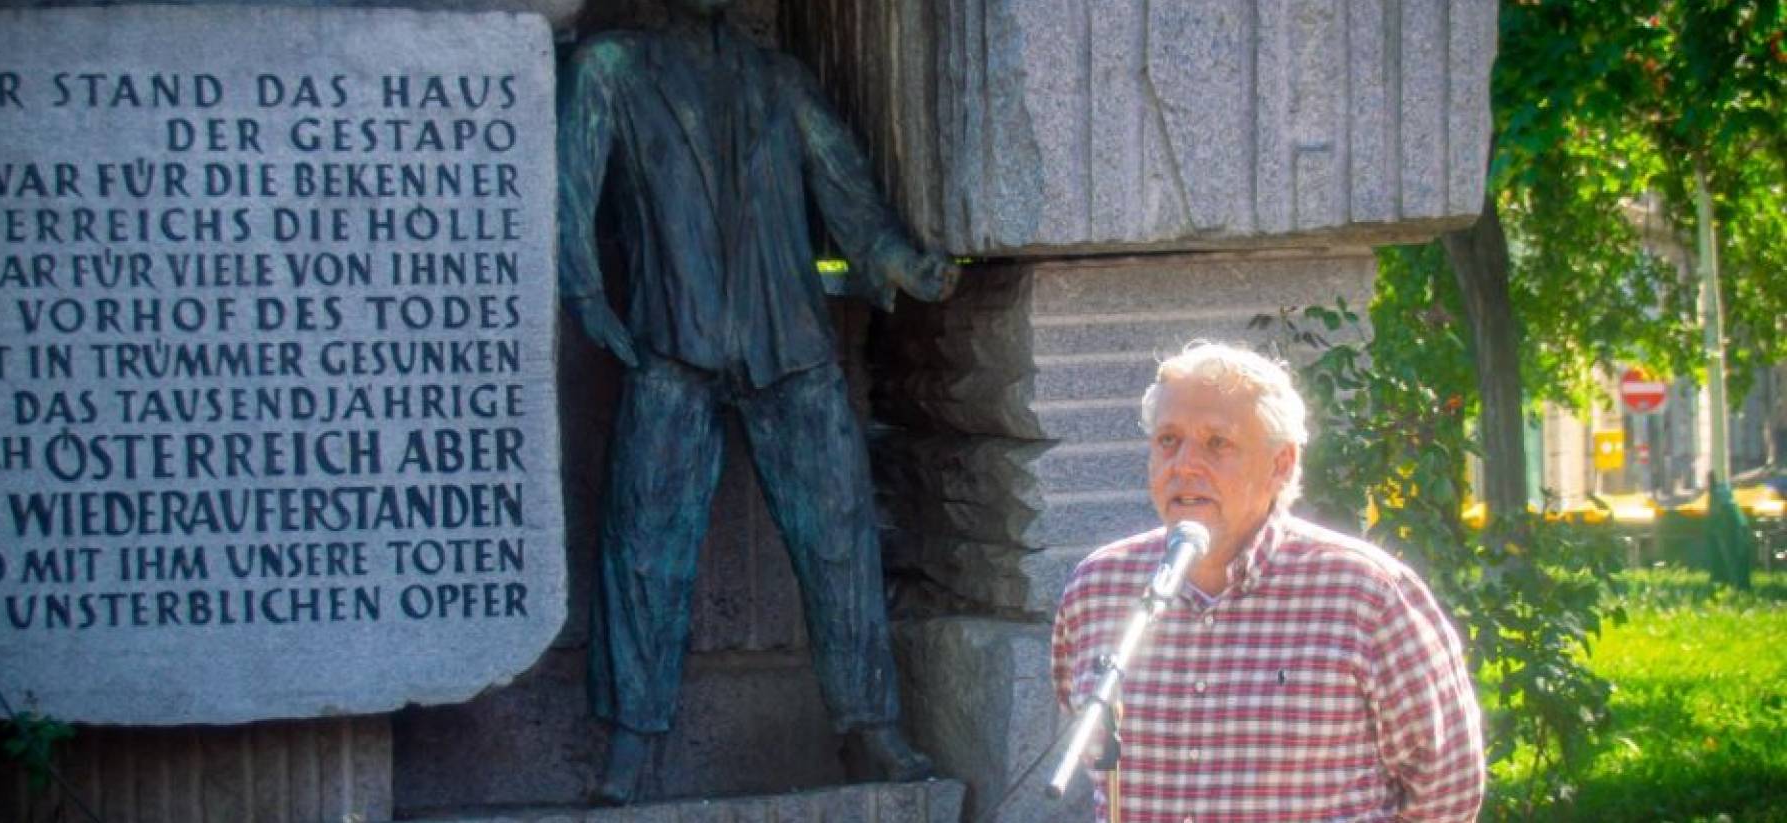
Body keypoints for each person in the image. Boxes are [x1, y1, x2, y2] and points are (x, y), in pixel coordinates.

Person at [556, 0, 957, 805]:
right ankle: (631, 742)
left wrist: (895, 259)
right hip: (674, 337)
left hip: (790, 338)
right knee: (644, 542)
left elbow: (842, 181)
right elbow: (568, 185)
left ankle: (869, 724)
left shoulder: (780, 79)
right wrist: (587, 291)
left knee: (839, 534)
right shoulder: (612, 68)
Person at [1050, 343, 1485, 822]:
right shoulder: (1099, 588)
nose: (1184, 465)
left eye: (1218, 443)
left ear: (1280, 464)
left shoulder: (1365, 594)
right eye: (1168, 441)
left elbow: (1447, 790)